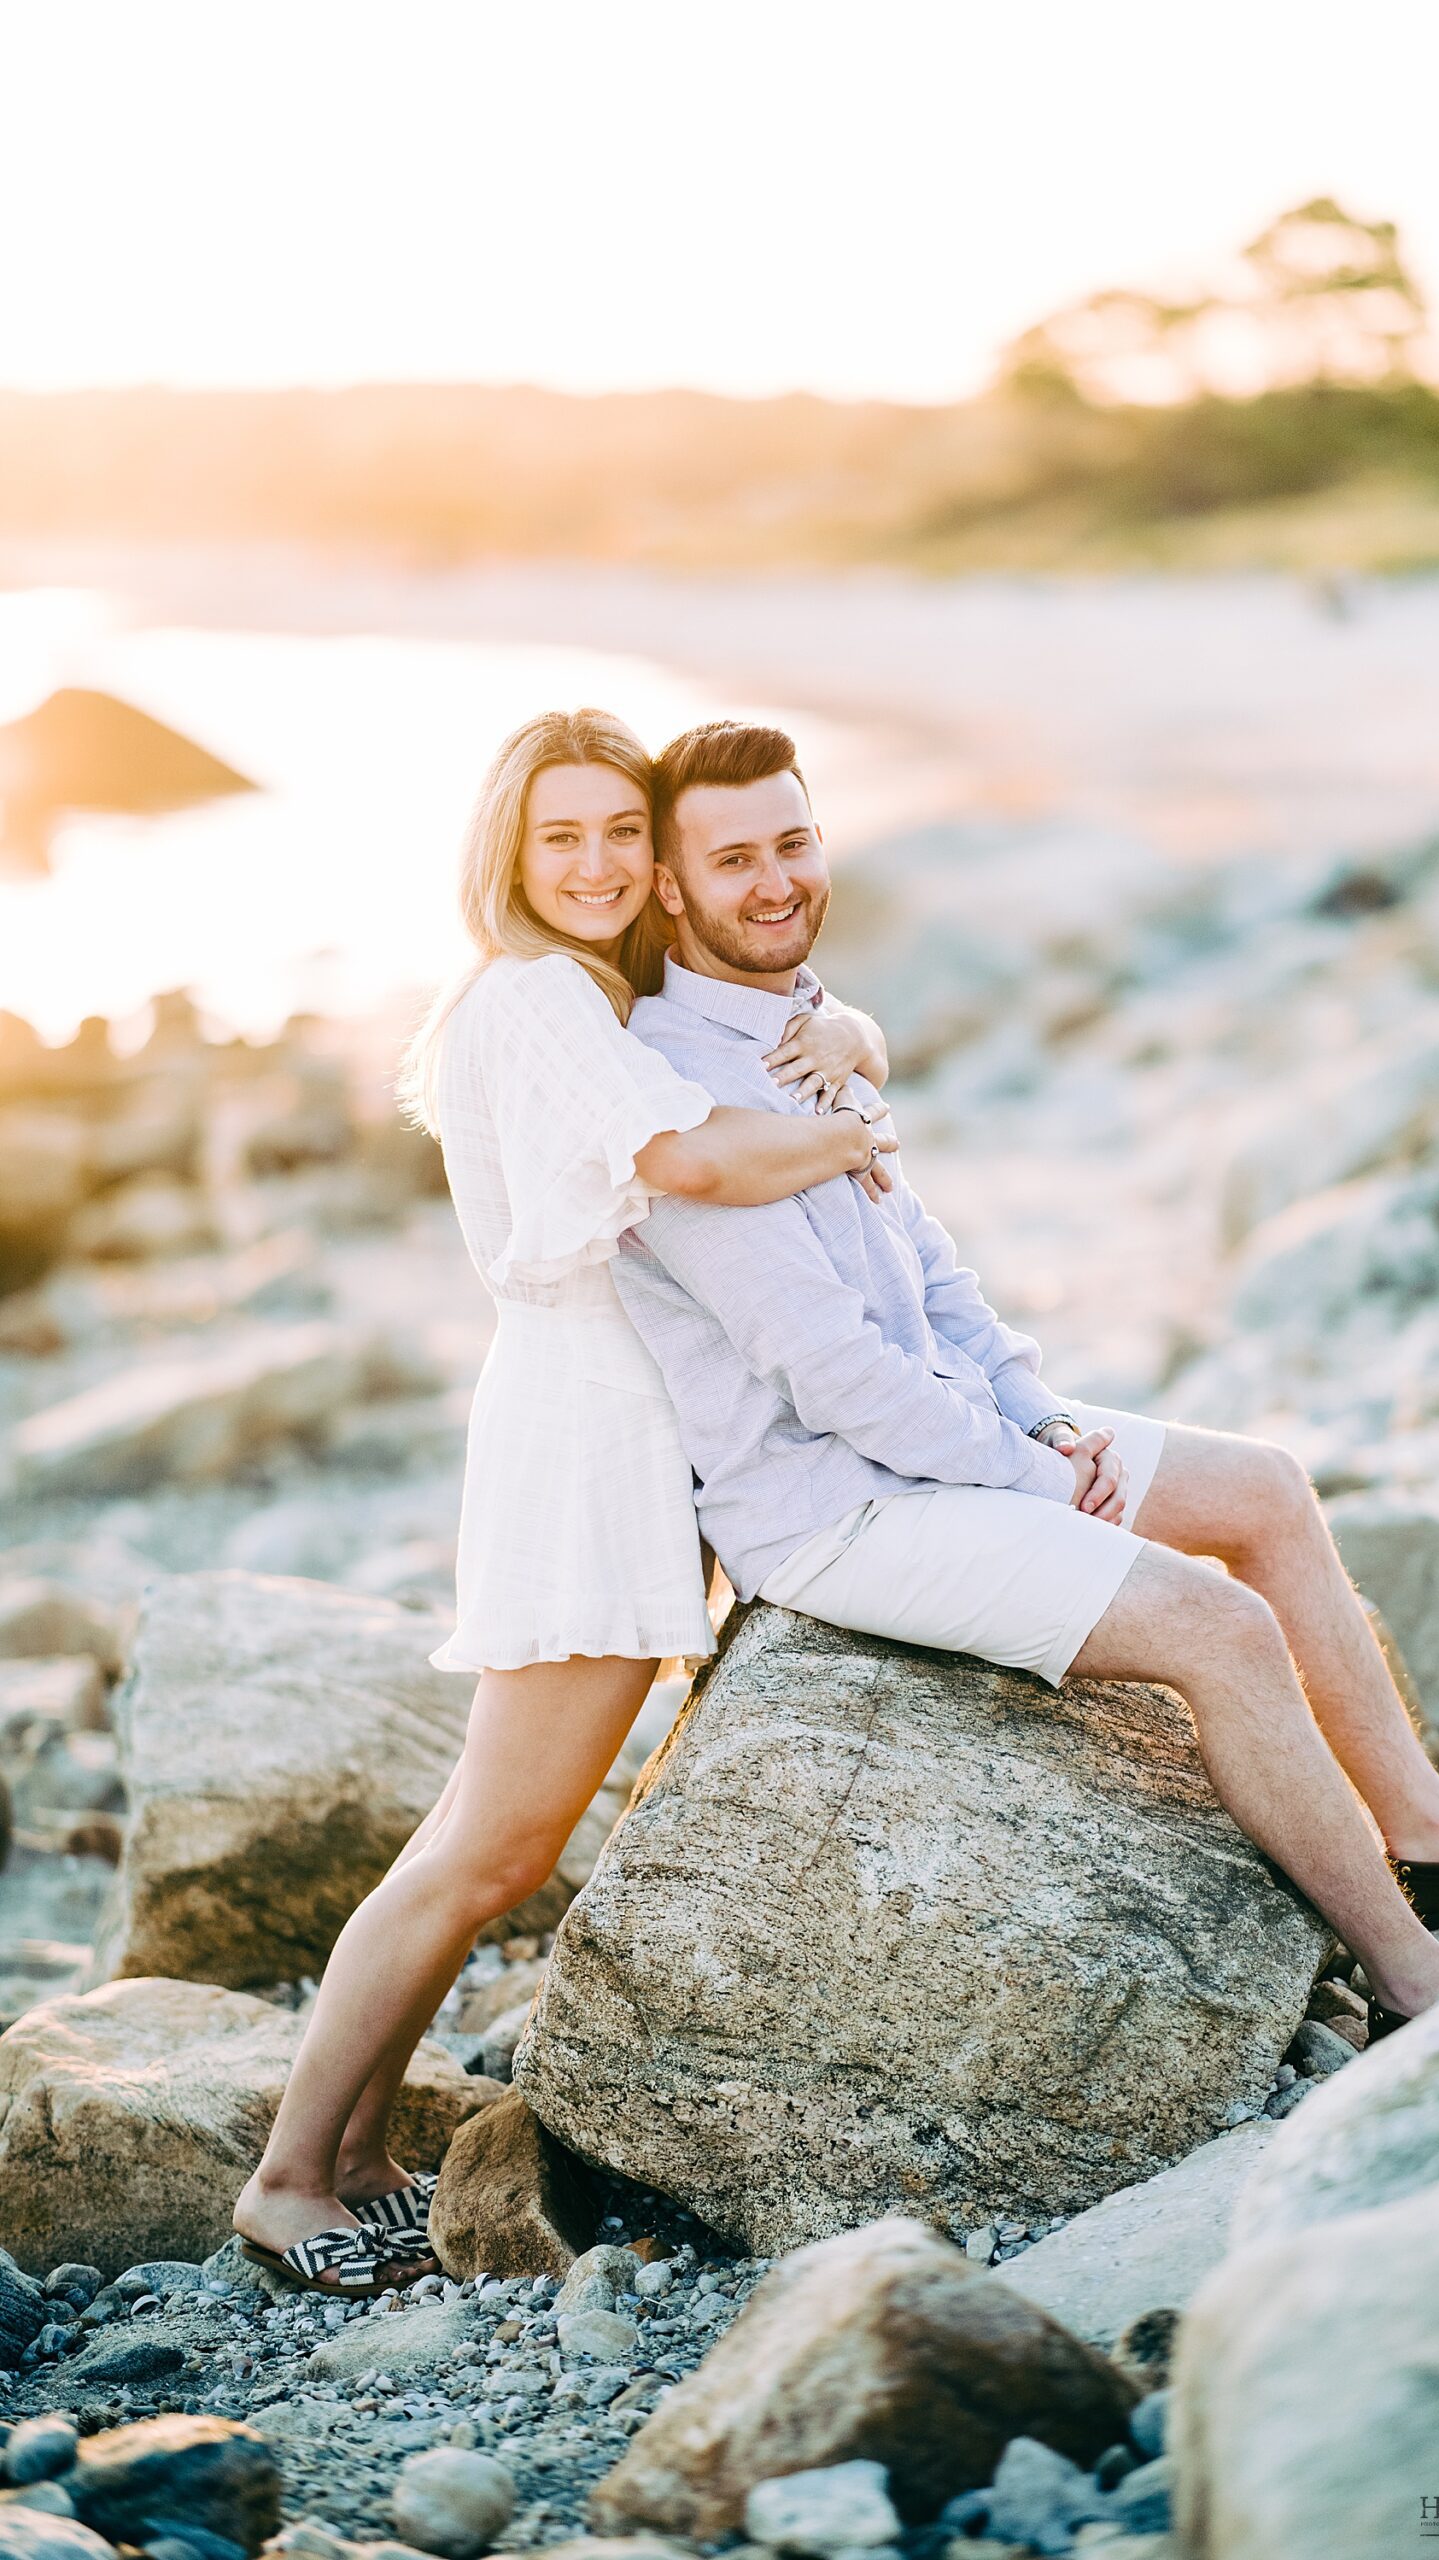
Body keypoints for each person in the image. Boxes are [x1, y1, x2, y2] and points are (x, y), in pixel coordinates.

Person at [612, 718, 1439, 2046]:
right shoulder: (673, 1090)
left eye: (794, 843)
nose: (776, 880)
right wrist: (1037, 1478)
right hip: (832, 1508)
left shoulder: (809, 1030)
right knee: (1218, 1627)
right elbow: (835, 1377)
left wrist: (1038, 1414)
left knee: (1265, 1491)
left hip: (949, 1432)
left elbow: (930, 1281)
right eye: (734, 858)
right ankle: (1417, 1979)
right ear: (674, 887)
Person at [232, 708, 895, 2295]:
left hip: (610, 1429)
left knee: (494, 1843)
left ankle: (363, 2154)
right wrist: (862, 1131)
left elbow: (783, 1032)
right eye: (563, 839)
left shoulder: (567, 998)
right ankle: (284, 2179)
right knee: (486, 1844)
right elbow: (706, 1164)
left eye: (619, 835)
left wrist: (849, 1038)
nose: (597, 866)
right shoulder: (535, 996)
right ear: (508, 858)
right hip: (585, 1440)